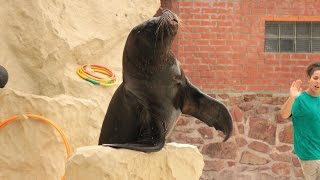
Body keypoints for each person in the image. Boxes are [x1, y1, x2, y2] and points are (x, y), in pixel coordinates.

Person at [280, 62, 320, 180]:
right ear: (309, 79)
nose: (318, 82)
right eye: (315, 78)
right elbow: (284, 114)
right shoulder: (300, 99)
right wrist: (292, 97)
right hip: (310, 155)